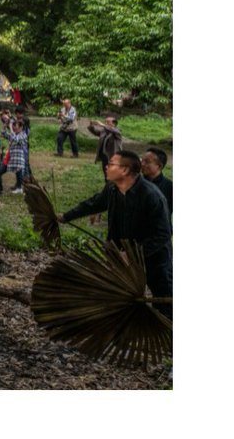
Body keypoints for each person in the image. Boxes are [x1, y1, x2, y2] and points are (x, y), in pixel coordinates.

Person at [58, 150, 172, 319]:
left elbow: (163, 234)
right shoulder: (113, 188)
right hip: (121, 254)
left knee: (163, 299)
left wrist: (134, 254)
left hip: (153, 256)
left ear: (125, 170)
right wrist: (66, 216)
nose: (106, 166)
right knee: (121, 295)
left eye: (112, 164)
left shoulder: (152, 195)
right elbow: (94, 203)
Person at [0, 118, 27, 194]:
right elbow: (3, 133)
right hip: (10, 159)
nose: (14, 127)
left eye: (16, 125)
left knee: (18, 173)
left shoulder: (23, 135)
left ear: (21, 127)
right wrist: (5, 126)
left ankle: (19, 188)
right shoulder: (13, 134)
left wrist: (11, 129)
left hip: (18, 159)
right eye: (13, 125)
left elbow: (16, 139)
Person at [88, 116, 123, 180]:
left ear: (114, 124)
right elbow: (95, 132)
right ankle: (108, 186)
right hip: (104, 155)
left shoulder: (117, 131)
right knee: (106, 172)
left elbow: (113, 130)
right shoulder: (104, 131)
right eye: (105, 122)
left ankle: (114, 186)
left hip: (113, 155)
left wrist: (101, 124)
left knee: (113, 172)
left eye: (108, 122)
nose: (106, 123)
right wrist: (91, 125)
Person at [142, 147, 173, 217]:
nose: (142, 164)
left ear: (159, 166)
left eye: (147, 162)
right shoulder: (135, 183)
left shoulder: (170, 187)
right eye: (142, 160)